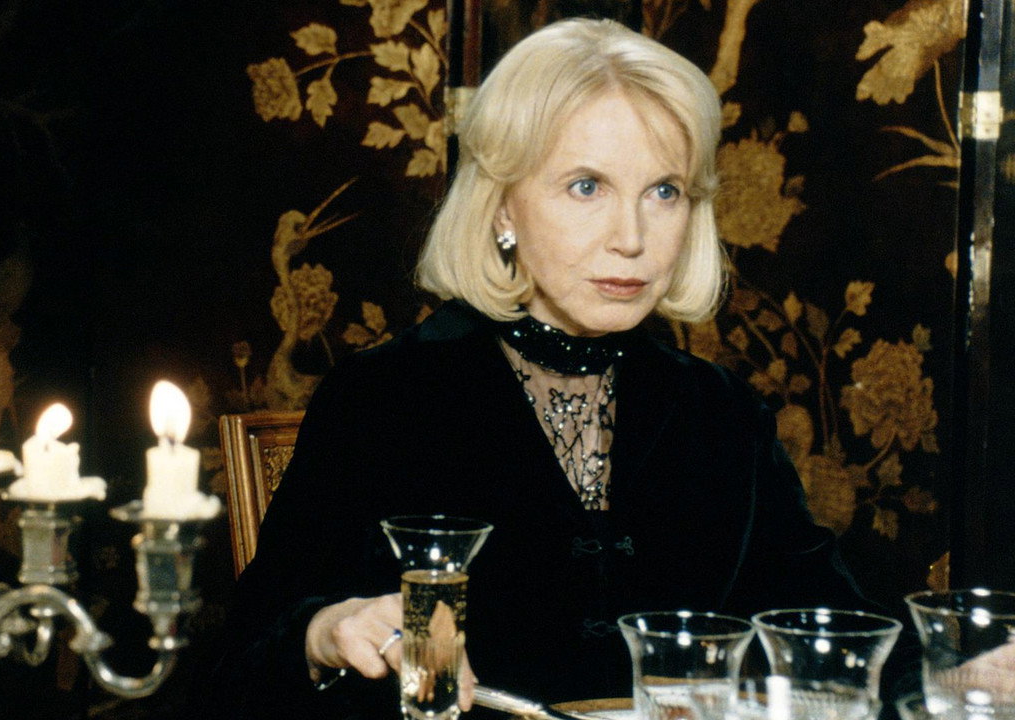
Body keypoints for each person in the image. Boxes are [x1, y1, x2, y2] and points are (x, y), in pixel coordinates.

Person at [204, 17, 869, 720]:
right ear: (501, 209)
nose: (632, 238)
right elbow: (231, 675)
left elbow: (842, 633)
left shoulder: (723, 410)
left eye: (664, 191)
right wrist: (324, 634)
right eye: (587, 186)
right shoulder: (380, 401)